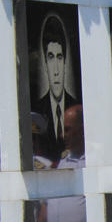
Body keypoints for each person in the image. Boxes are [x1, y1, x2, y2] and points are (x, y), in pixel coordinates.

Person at [33, 13, 74, 162]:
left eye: (60, 57)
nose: (56, 69)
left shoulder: (75, 106)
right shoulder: (37, 107)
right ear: (44, 62)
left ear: (65, 62)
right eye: (50, 57)